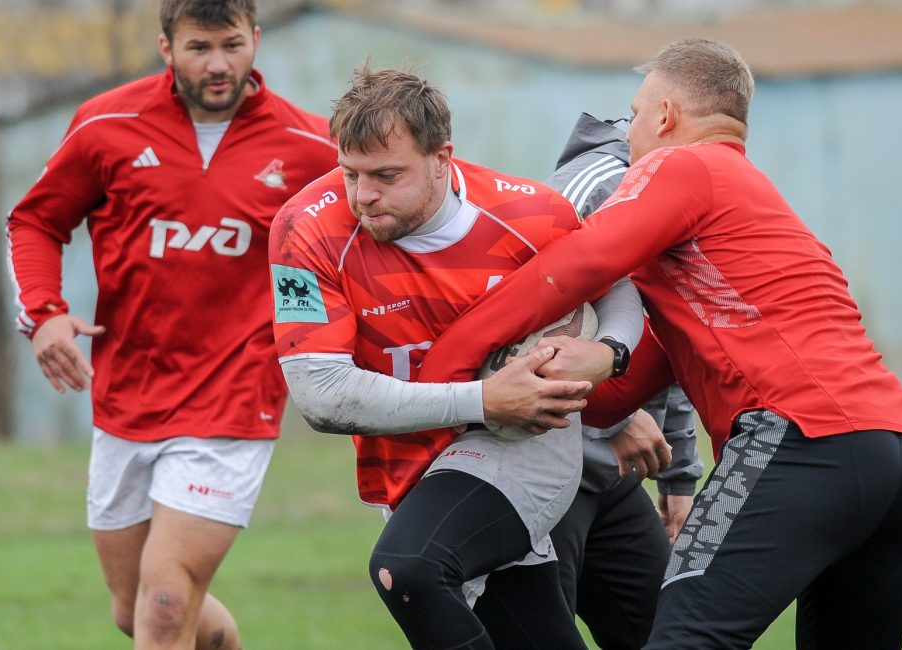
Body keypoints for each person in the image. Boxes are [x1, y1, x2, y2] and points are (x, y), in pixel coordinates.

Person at [417, 38, 902, 649]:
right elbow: (627, 388)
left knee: (686, 640)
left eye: (634, 114)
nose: (628, 131)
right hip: (901, 450)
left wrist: (445, 370)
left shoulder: (683, 166)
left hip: (801, 436)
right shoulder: (750, 205)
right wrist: (569, 381)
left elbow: (574, 265)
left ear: (665, 116)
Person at [269, 65, 646, 648]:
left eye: (386, 175)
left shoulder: (528, 214)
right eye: (350, 173)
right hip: (418, 461)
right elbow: (321, 395)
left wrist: (608, 353)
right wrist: (486, 398)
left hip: (524, 445)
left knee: (409, 569)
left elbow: (613, 286)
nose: (363, 196)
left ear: (442, 158)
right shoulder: (307, 229)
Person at [5, 1, 337, 647]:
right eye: (199, 47)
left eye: (232, 45)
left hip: (234, 396)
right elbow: (36, 221)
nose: (218, 64)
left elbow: (354, 247)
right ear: (167, 48)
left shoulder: (310, 148)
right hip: (128, 394)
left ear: (255, 40)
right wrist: (44, 315)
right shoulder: (105, 125)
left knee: (163, 603)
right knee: (134, 609)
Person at [545, 112, 704, 649]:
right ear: (669, 116)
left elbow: (671, 332)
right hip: (552, 462)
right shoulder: (596, 184)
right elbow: (526, 318)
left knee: (671, 634)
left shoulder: (687, 185)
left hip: (616, 477)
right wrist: (617, 414)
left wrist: (678, 479)